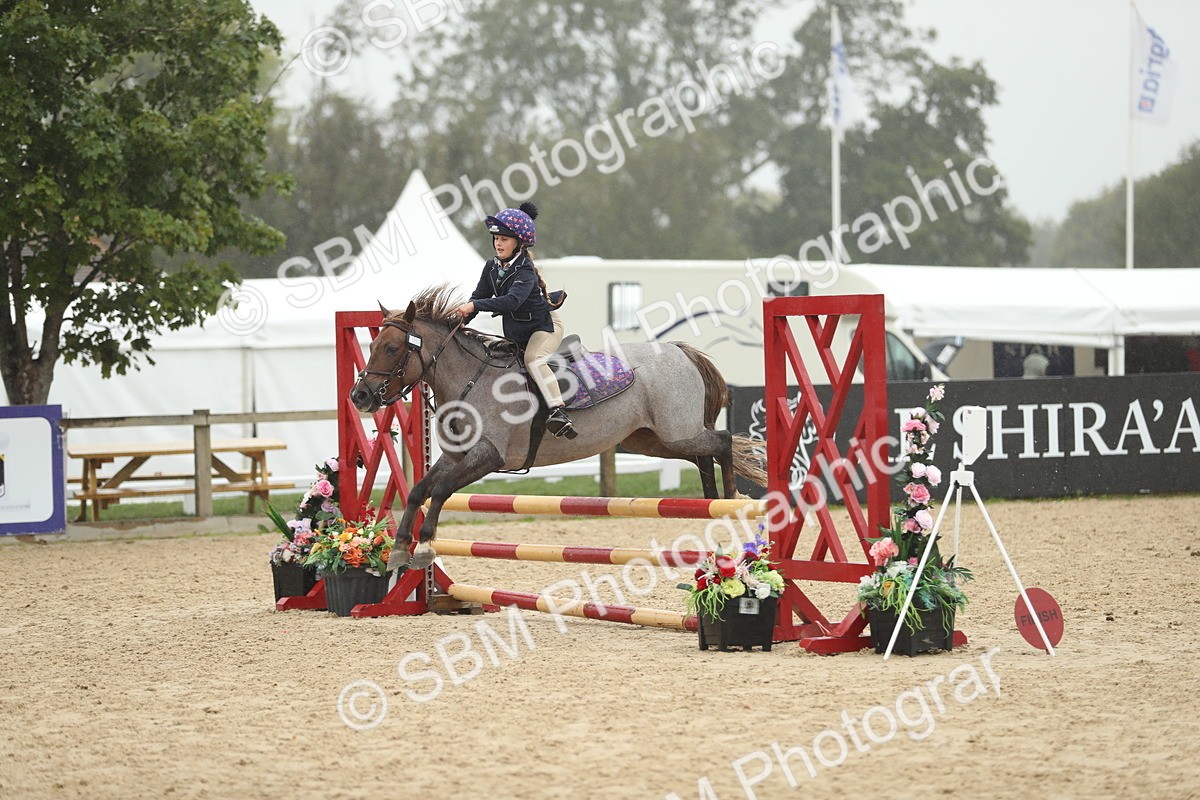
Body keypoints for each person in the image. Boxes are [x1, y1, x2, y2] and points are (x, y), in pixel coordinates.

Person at [454, 202, 576, 439]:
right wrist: (459, 323)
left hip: (545, 327)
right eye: (496, 238)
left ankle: (559, 411)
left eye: (505, 239)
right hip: (518, 332)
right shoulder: (491, 267)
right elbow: (479, 296)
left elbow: (511, 302)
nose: (498, 243)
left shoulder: (525, 271)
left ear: (519, 243)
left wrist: (475, 305)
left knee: (533, 360)